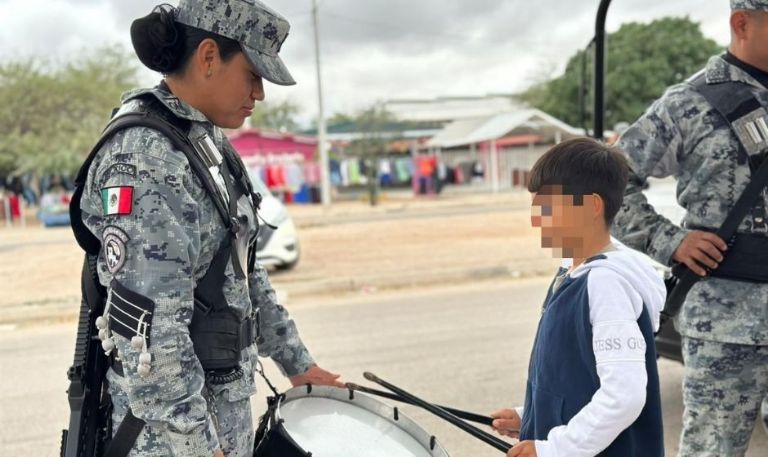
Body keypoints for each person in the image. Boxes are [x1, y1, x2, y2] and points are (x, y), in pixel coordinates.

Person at [73, 1, 342, 456]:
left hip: (217, 417)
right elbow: (151, 331)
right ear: (209, 57)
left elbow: (242, 270)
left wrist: (298, 363)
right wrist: (196, 444)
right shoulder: (147, 159)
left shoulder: (202, 140)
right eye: (253, 75)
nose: (259, 93)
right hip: (170, 439)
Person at [611, 1, 768, 455]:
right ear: (742, 22)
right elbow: (606, 183)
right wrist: (669, 240)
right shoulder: (690, 102)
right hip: (726, 323)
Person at [490, 138, 666, 457]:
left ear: (592, 206)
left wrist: (554, 448)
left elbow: (623, 396)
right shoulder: (572, 271)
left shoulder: (606, 282)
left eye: (547, 207)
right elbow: (576, 381)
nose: (536, 219)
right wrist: (530, 414)